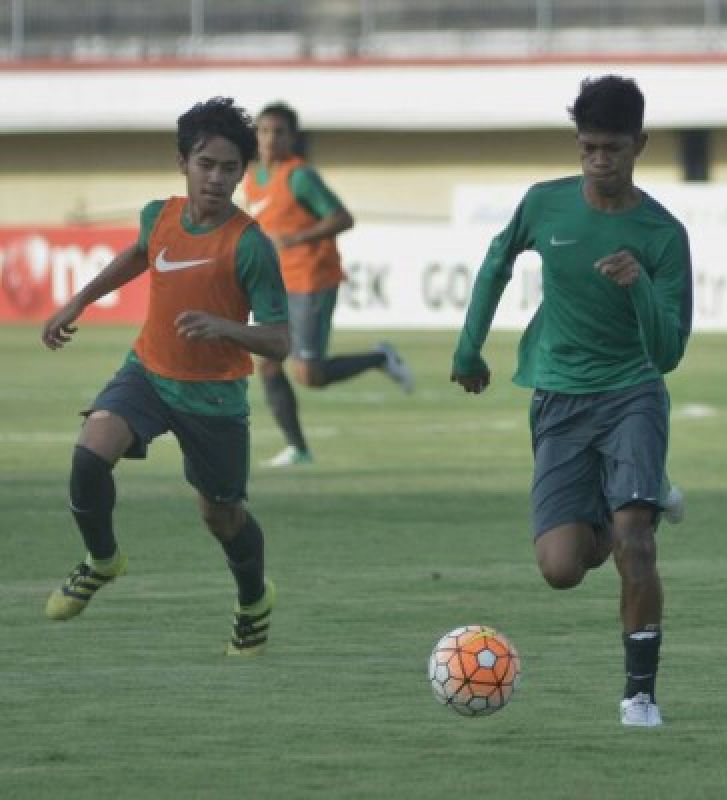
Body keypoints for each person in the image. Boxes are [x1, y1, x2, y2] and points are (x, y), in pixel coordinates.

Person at [450, 75, 692, 727]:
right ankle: (634, 499)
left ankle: (639, 694)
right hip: (558, 395)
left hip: (633, 392)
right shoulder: (545, 205)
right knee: (560, 567)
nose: (598, 161)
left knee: (635, 543)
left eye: (612, 148)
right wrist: (469, 347)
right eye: (587, 147)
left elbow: (669, 353)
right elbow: (497, 262)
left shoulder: (663, 235)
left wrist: (639, 285)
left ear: (638, 144)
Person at [41, 97, 290, 656]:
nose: (217, 178)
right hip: (148, 373)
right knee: (89, 455)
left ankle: (253, 601)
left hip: (214, 398)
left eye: (230, 168)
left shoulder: (250, 245)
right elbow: (138, 255)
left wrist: (224, 327)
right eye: (207, 164)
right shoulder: (160, 215)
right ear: (183, 162)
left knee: (221, 516)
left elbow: (280, 339)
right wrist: (78, 300)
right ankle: (103, 559)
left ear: (242, 173)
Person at [244, 102, 414, 468]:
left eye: (279, 132)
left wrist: (295, 239)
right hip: (276, 284)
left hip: (311, 279)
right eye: (263, 131)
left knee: (309, 376)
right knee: (269, 364)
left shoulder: (300, 176)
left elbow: (342, 218)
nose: (270, 138)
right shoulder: (251, 178)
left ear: (292, 137)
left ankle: (380, 357)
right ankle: (298, 449)